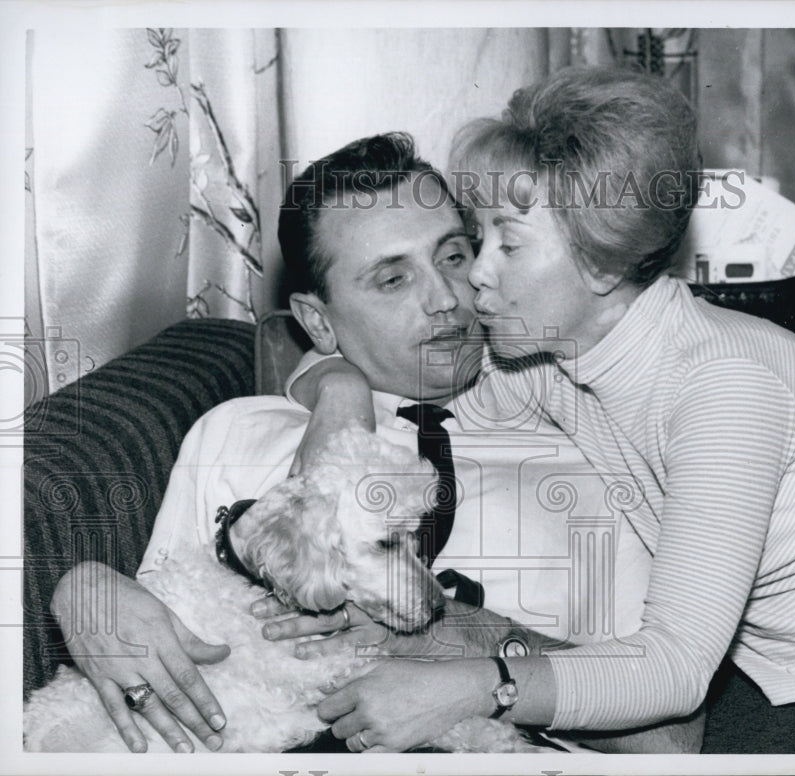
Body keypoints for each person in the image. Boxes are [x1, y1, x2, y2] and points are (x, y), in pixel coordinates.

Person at [296, 68, 795, 754]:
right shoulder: (551, 357)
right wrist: (337, 388)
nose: (475, 273)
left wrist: (478, 684)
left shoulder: (723, 387)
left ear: (598, 263)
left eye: (509, 243)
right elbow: (396, 370)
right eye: (479, 237)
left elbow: (675, 668)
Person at [46, 132, 700, 755]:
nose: (446, 298)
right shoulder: (238, 432)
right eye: (393, 279)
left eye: (452, 256)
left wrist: (448, 636)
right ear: (316, 321)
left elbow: (668, 743)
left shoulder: (586, 448)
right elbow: (166, 621)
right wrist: (83, 593)